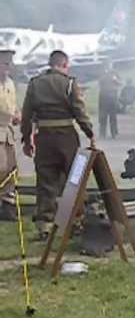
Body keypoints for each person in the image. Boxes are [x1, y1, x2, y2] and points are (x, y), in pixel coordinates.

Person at [21, 50, 95, 238]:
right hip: (66, 138)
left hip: (44, 137)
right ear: (64, 64)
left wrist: (26, 138)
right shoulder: (69, 83)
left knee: (46, 180)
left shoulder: (35, 83)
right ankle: (76, 221)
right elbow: (79, 111)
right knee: (75, 179)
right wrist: (90, 132)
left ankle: (44, 225)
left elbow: (27, 114)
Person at [0, 46, 20, 222]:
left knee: (11, 169)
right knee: (0, 168)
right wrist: (10, 115)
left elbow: (13, 104)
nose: (8, 66)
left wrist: (17, 114)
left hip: (8, 132)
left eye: (10, 63)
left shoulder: (10, 83)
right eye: (5, 63)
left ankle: (8, 206)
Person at [98, 62, 122, 139]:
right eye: (107, 64)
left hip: (113, 96)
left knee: (113, 116)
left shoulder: (115, 73)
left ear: (111, 65)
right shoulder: (102, 73)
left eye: (109, 64)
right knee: (103, 116)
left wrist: (115, 80)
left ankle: (114, 133)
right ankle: (102, 133)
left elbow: (120, 83)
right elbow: (99, 82)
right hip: (103, 96)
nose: (108, 66)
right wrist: (104, 77)